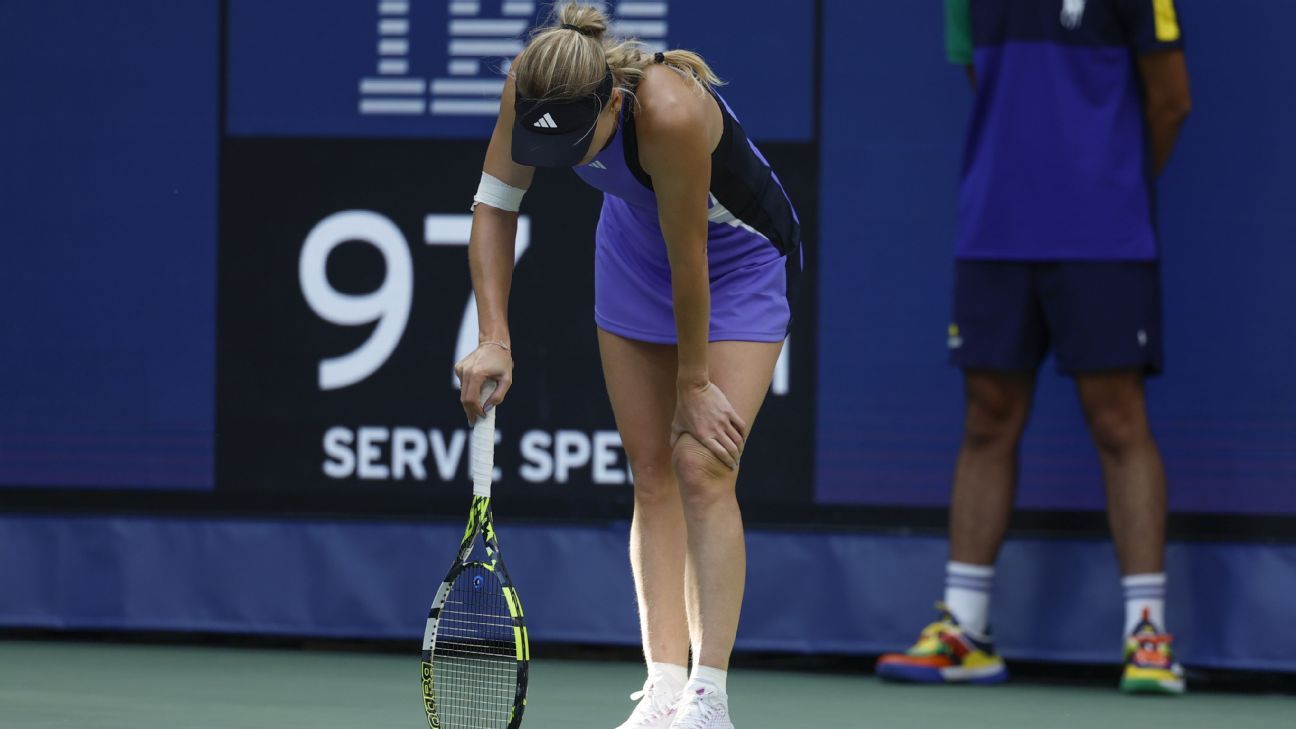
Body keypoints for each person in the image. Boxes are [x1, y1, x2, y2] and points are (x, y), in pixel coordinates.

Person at [453, 3, 802, 727]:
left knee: (702, 463)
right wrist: (495, 337)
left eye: (582, 141)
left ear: (613, 101)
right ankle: (664, 686)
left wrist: (695, 384)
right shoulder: (532, 82)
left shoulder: (668, 113)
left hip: (733, 261)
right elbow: (494, 204)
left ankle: (709, 698)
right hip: (633, 252)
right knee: (650, 470)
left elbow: (692, 262)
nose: (569, 159)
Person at [876, 0, 1192, 694]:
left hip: (1103, 234)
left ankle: (1148, 634)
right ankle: (965, 629)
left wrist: (1110, 190)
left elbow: (1171, 100)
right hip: (996, 228)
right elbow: (985, 85)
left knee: (1118, 420)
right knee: (987, 419)